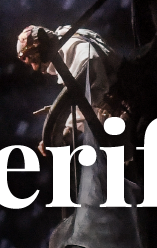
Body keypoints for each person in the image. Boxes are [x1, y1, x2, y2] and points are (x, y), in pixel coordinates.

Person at [17, 24, 118, 152]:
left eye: (34, 60)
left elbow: (91, 93)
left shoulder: (73, 48)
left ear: (41, 49)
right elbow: (85, 98)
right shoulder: (72, 42)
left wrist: (66, 109)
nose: (35, 67)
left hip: (126, 108)